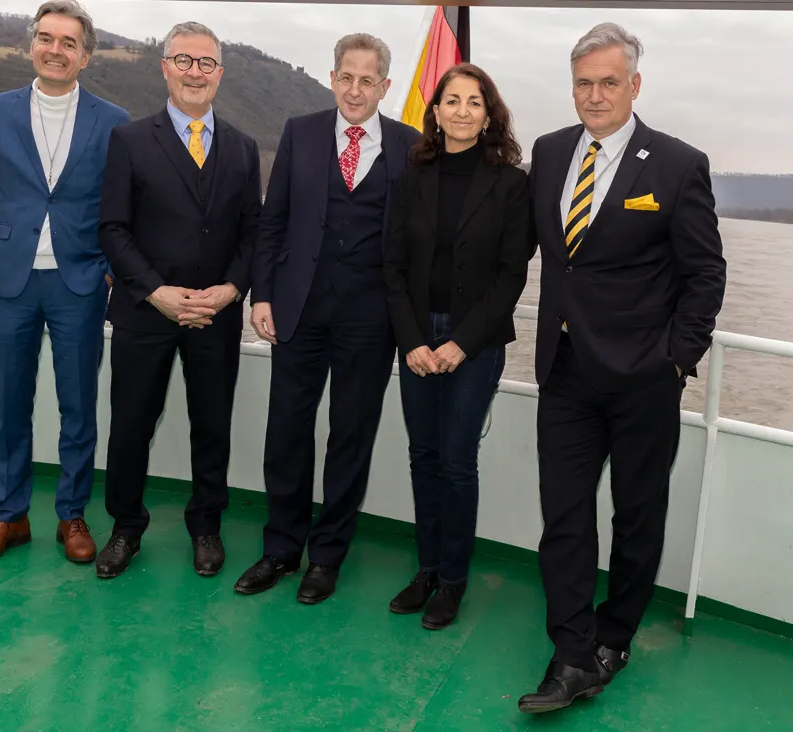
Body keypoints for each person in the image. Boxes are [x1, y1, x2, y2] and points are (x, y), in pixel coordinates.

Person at [517, 22, 726, 713]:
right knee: (564, 515)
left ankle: (616, 635)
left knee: (637, 517)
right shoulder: (549, 152)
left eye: (609, 82)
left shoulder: (676, 164)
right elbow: (522, 245)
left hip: (643, 379)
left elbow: (705, 274)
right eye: (584, 83)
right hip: (566, 371)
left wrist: (677, 360)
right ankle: (572, 653)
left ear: (634, 85)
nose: (595, 95)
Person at [239, 33, 421, 604]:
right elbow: (273, 220)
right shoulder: (302, 132)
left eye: (367, 80)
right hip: (299, 308)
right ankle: (280, 549)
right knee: (286, 430)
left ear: (384, 86)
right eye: (346, 77)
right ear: (333, 77)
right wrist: (262, 295)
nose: (355, 89)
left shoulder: (410, 145)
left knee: (351, 435)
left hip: (371, 318)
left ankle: (326, 557)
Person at [0, 0, 130, 567]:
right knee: (10, 405)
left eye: (69, 42)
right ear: (31, 46)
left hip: (79, 282)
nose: (56, 50)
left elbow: (123, 207)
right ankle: (9, 516)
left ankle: (71, 514)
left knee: (78, 406)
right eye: (46, 39)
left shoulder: (113, 120)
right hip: (9, 280)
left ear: (85, 56)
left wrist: (110, 268)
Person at [93, 21, 261, 579]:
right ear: (165, 67)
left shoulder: (242, 148)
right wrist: (155, 291)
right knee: (131, 425)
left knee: (211, 426)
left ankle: (206, 526)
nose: (195, 72)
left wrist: (232, 289)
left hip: (215, 314)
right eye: (184, 60)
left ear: (220, 73)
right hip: (146, 311)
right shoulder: (130, 141)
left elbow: (253, 233)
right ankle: (125, 527)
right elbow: (112, 228)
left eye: (206, 63)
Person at [381, 63, 529, 630]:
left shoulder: (511, 184)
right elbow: (392, 265)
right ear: (436, 112)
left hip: (477, 342)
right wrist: (413, 340)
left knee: (456, 460)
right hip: (418, 338)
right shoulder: (413, 175)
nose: (462, 110)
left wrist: (462, 343)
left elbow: (511, 275)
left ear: (488, 115)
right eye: (452, 100)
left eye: (474, 101)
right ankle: (425, 569)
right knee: (423, 455)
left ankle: (452, 580)